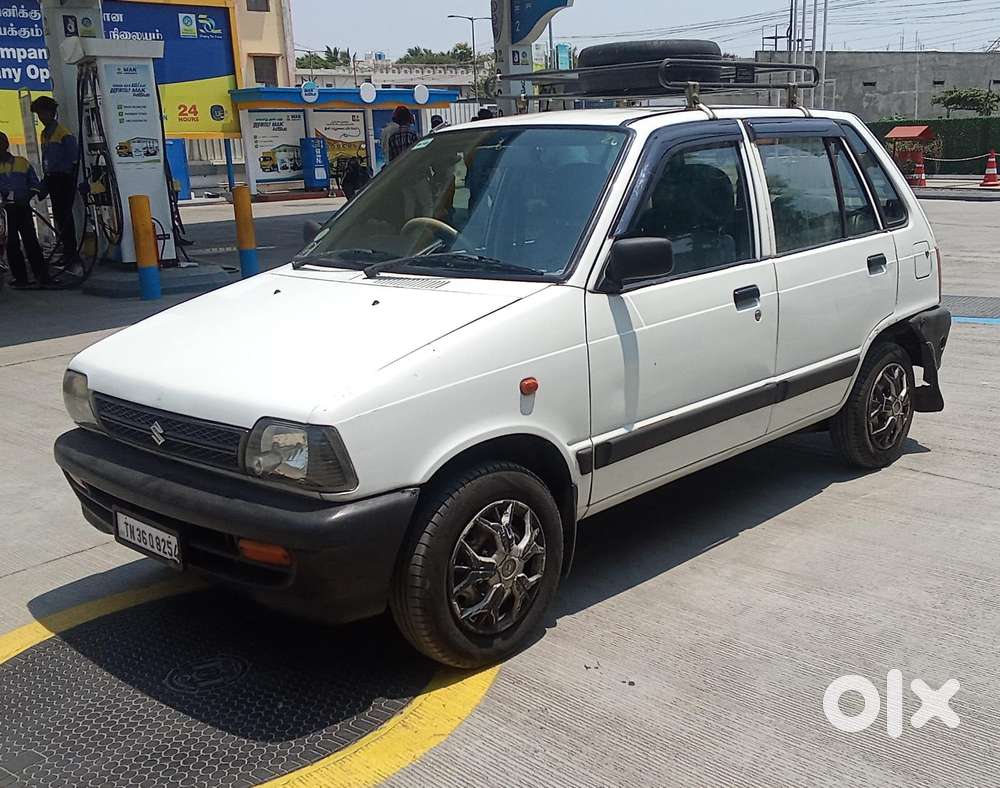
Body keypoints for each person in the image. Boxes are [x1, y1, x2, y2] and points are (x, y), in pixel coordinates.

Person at [30, 96, 79, 263]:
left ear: (52, 112)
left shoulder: (63, 133)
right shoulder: (45, 134)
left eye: (42, 113)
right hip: (52, 178)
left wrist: (69, 179)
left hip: (63, 179)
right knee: (58, 217)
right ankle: (66, 250)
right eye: (38, 114)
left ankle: (71, 253)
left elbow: (74, 159)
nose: (41, 118)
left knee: (65, 217)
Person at [0, 131, 47, 288]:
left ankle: (43, 276)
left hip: (23, 208)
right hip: (7, 211)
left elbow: (35, 183)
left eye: (1, 143)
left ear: (6, 144)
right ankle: (21, 278)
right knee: (12, 244)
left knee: (30, 242)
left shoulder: (22, 162)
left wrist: (26, 197)